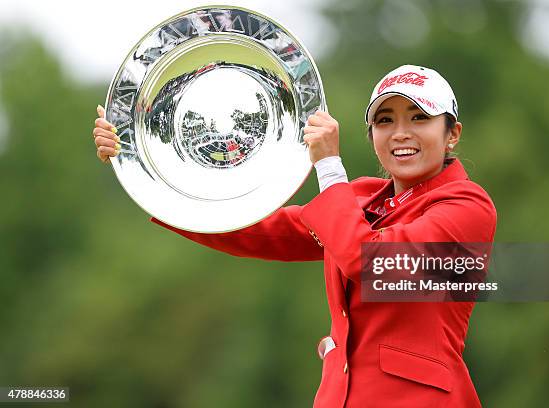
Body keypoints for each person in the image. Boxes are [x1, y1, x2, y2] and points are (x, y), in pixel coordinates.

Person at [92, 64, 497, 408]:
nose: (400, 132)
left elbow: (369, 263)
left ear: (453, 134)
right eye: (385, 120)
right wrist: (143, 168)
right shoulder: (360, 199)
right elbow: (256, 228)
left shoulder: (467, 206)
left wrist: (330, 168)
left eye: (419, 118)